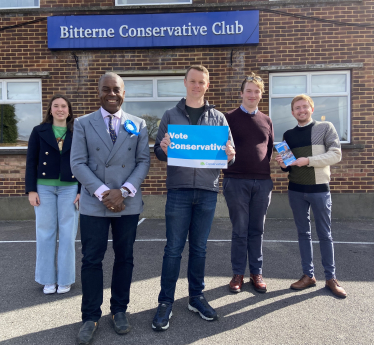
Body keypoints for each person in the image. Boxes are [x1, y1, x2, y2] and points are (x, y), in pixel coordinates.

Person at [152, 65, 235, 331]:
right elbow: (159, 152)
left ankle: (196, 297)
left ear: (207, 85)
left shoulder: (219, 118)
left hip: (208, 190)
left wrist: (231, 156)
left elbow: (229, 156)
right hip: (178, 189)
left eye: (202, 82)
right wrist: (163, 148)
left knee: (199, 248)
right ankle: (165, 302)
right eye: (193, 81)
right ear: (185, 82)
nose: (197, 86)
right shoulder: (170, 114)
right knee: (173, 249)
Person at [70, 72, 150, 344]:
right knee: (91, 259)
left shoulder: (138, 123)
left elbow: (142, 162)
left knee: (124, 258)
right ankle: (90, 316)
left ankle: (119, 310)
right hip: (95, 202)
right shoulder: (82, 123)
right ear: (99, 92)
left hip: (127, 203)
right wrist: (105, 193)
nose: (111, 94)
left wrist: (124, 191)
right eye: (106, 89)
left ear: (124, 93)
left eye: (116, 90)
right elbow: (78, 163)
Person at [275, 94, 347, 299]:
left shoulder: (325, 128)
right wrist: (283, 165)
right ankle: (308, 275)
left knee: (325, 234)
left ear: (312, 109)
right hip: (296, 190)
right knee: (303, 233)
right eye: (297, 108)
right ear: (292, 112)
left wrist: (308, 160)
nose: (301, 111)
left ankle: (331, 278)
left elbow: (336, 154)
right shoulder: (288, 134)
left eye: (305, 107)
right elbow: (288, 168)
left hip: (319, 190)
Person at [223, 73, 274, 294]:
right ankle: (237, 274)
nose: (252, 95)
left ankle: (256, 272)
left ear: (261, 95)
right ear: (242, 93)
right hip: (235, 180)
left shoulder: (267, 120)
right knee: (240, 230)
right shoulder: (229, 118)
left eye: (257, 91)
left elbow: (269, 149)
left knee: (257, 230)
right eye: (249, 90)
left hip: (262, 182)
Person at [25, 94, 80, 295]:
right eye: (56, 106)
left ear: (69, 110)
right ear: (50, 110)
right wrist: (31, 190)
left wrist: (81, 190)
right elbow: (31, 162)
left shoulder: (77, 131)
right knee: (45, 233)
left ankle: (65, 279)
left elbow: (84, 162)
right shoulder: (38, 131)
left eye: (63, 106)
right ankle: (47, 279)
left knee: (67, 234)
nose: (60, 109)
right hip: (44, 188)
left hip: (70, 187)